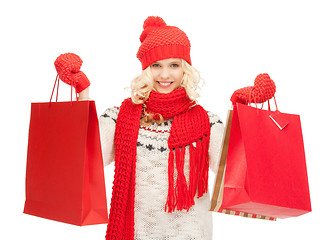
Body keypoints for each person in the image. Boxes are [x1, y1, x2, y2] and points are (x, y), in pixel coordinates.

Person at [55, 16, 224, 240]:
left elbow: (230, 171)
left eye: (174, 65)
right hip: (136, 232)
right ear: (146, 69)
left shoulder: (207, 122)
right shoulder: (119, 117)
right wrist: (82, 93)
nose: (165, 75)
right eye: (156, 66)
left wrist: (243, 116)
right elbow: (88, 158)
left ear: (185, 69)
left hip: (190, 233)